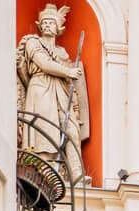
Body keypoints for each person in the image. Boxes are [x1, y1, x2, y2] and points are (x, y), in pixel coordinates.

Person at [17, 4, 90, 180]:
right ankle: (46, 174)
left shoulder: (62, 53)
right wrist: (68, 72)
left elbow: (72, 80)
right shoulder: (33, 42)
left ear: (58, 28)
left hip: (61, 91)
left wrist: (72, 74)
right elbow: (43, 63)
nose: (48, 25)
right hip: (41, 87)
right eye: (45, 22)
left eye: (51, 22)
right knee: (46, 130)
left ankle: (76, 175)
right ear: (40, 25)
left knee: (71, 130)